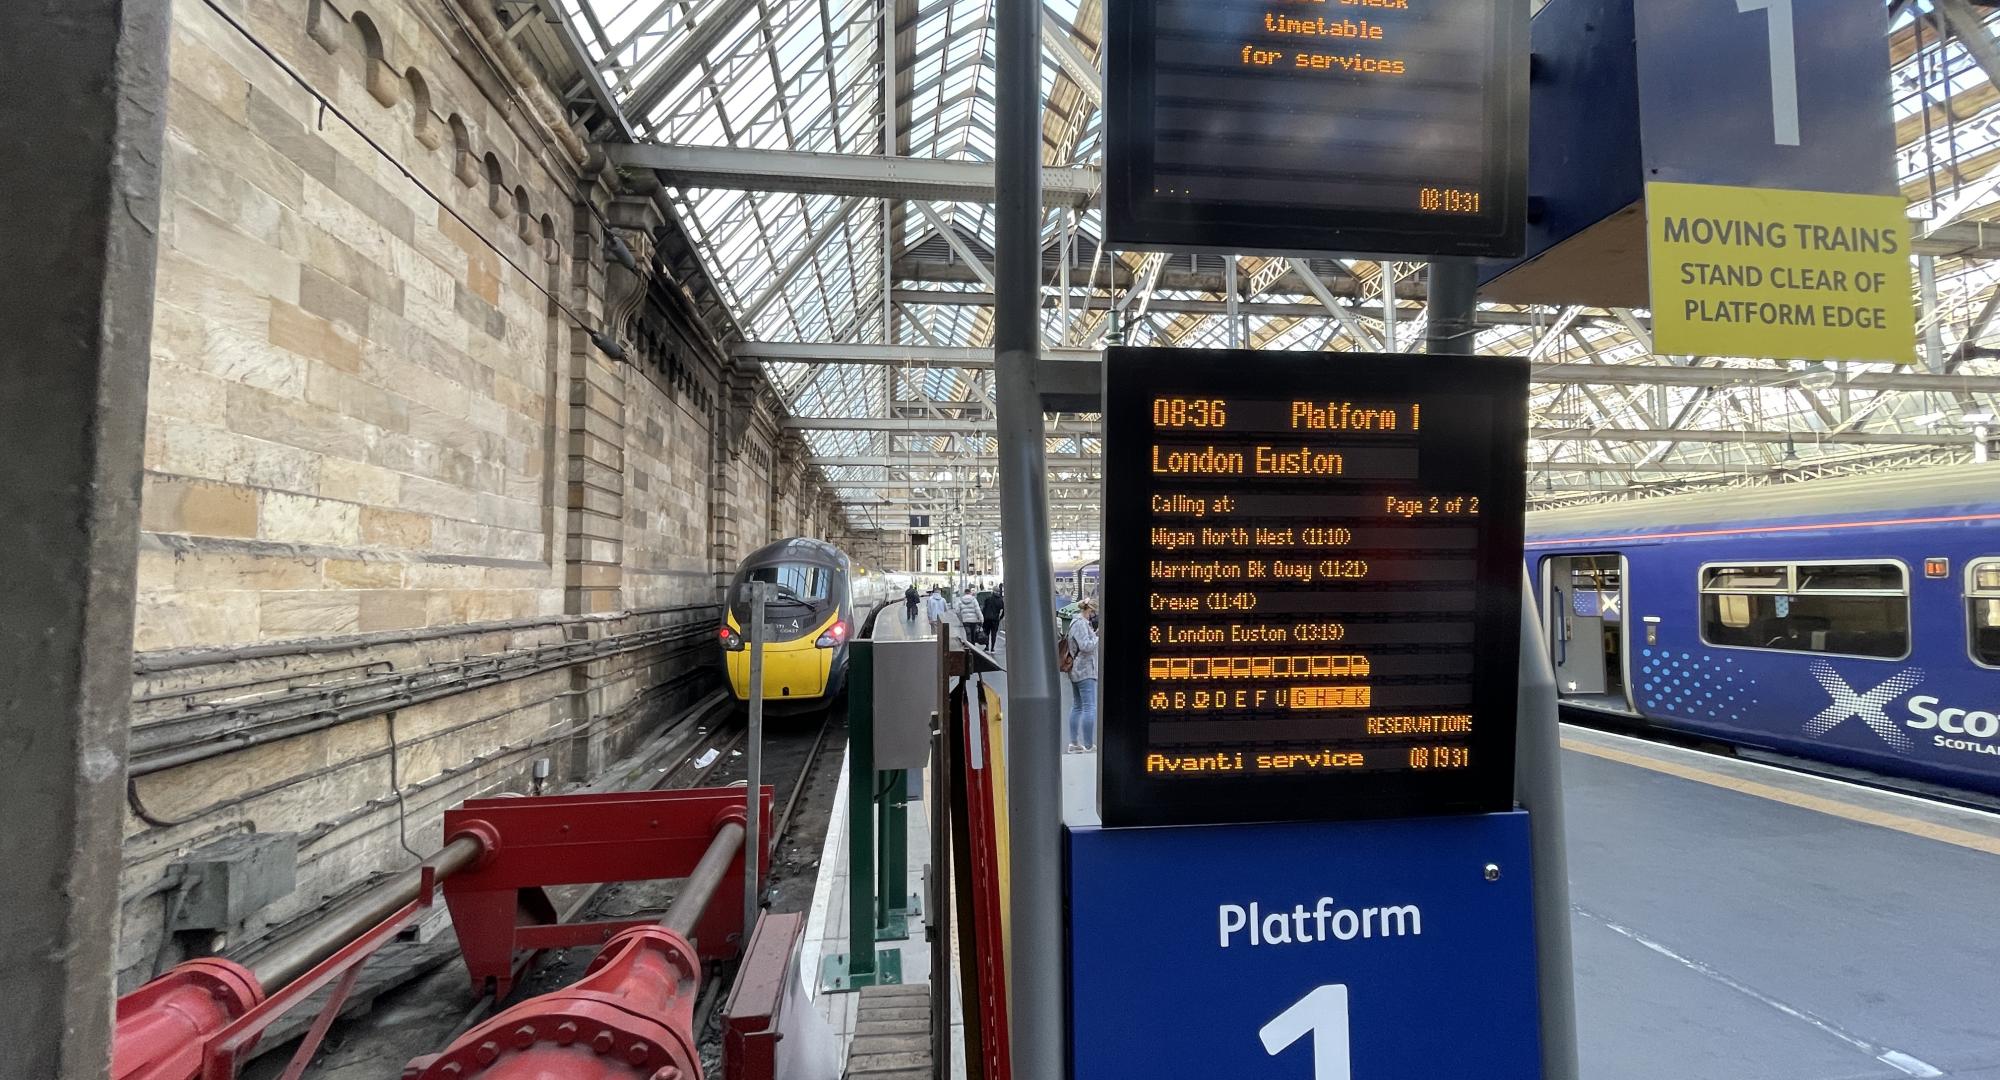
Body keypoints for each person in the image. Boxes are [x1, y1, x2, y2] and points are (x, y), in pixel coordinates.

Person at [1064, 599, 1098, 752]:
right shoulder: (1081, 624)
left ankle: (1074, 743)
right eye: (1093, 612)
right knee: (1089, 707)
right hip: (1085, 670)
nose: (1093, 615)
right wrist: (1097, 637)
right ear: (1089, 610)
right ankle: (1088, 745)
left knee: (1077, 706)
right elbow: (1086, 646)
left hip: (1075, 670)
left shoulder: (1074, 623)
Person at [980, 585, 1004, 649]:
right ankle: (992, 648)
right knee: (994, 634)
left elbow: (984, 609)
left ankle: (987, 646)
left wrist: (983, 617)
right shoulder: (1000, 600)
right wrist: (1000, 617)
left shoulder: (988, 599)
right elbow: (1003, 610)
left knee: (987, 633)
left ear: (993, 591)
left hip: (987, 618)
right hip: (995, 619)